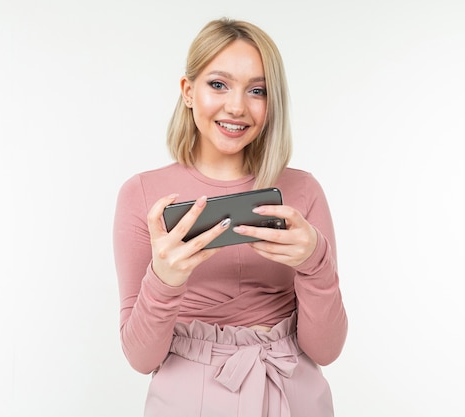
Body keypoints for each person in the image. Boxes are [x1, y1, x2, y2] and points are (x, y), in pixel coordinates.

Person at [113, 17, 347, 417]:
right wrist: (165, 280)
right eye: (218, 84)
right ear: (188, 91)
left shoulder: (303, 191)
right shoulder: (142, 195)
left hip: (292, 391)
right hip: (189, 399)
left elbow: (326, 349)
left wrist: (315, 263)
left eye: (257, 90)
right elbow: (140, 358)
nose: (237, 106)